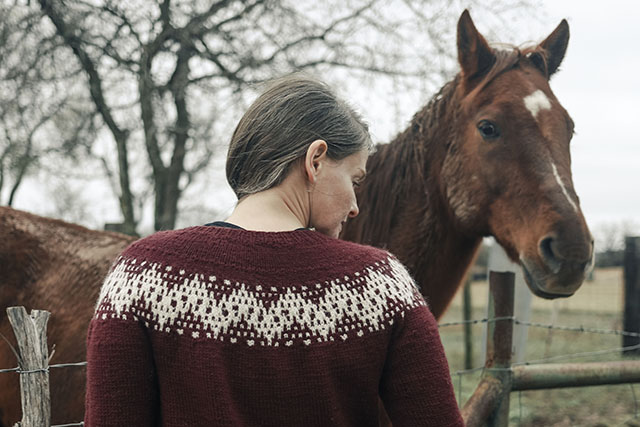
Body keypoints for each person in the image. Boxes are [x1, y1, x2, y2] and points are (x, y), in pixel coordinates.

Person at [84, 75, 463, 426]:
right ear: (315, 160)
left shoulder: (143, 275)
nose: (354, 206)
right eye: (355, 179)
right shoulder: (379, 285)